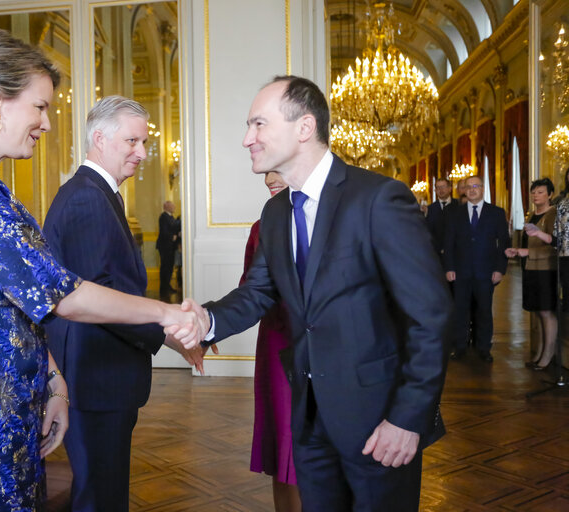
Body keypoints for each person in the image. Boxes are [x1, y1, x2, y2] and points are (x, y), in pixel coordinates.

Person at [0, 30, 203, 511]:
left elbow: (15, 299)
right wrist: (167, 314)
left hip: (9, 388)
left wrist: (53, 381)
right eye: (40, 107)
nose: (47, 123)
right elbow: (60, 293)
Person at [190, 75, 451, 511]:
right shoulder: (275, 213)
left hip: (380, 422)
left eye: (258, 124)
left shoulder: (379, 199)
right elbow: (256, 293)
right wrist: (205, 321)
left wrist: (408, 419)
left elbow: (431, 317)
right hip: (309, 420)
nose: (246, 139)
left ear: (304, 127)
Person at [42, 96, 200, 512]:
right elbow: (98, 297)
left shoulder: (98, 193)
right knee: (100, 495)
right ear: (99, 138)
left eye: (143, 142)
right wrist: (170, 333)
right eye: (132, 141)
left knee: (106, 489)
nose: (142, 153)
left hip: (103, 370)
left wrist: (170, 333)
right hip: (96, 374)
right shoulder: (85, 198)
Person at [241, 170, 300, 512]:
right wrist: (209, 325)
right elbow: (249, 292)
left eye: (277, 168)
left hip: (331, 351)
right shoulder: (262, 227)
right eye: (266, 172)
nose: (269, 179)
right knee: (284, 438)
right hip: (279, 344)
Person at [443, 175, 510, 362]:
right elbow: (448, 243)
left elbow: (503, 243)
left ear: (483, 189)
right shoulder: (455, 214)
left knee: (484, 311)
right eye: (468, 187)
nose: (472, 190)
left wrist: (500, 269)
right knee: (460, 311)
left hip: (486, 272)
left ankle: (484, 348)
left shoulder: (496, 213)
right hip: (461, 271)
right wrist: (448, 267)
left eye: (476, 186)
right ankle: (460, 347)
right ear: (464, 190)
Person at [505, 178, 558, 370]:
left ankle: (548, 354)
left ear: (550, 195)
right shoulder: (532, 215)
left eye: (541, 192)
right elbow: (531, 243)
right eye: (534, 192)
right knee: (537, 311)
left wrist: (527, 252)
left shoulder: (552, 214)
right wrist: (518, 250)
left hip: (546, 269)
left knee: (546, 311)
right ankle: (541, 352)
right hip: (531, 269)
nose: (536, 195)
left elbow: (555, 246)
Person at [156, 200, 181, 300]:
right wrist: (173, 237)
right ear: (166, 207)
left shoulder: (170, 217)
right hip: (165, 247)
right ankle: (164, 289)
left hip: (171, 247)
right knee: (165, 268)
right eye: (172, 206)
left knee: (170, 268)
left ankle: (167, 286)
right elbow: (164, 232)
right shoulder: (163, 217)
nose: (174, 207)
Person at [426, 178, 457, 255]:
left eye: (443, 187)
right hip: (436, 254)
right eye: (438, 188)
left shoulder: (459, 205)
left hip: (456, 252)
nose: (441, 190)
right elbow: (428, 232)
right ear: (435, 190)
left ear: (450, 188)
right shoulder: (429, 209)